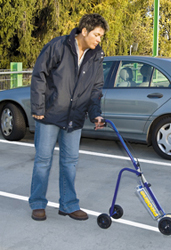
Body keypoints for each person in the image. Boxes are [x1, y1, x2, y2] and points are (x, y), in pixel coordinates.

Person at [29, 13, 109, 221]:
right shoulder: (58, 46)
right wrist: (38, 106)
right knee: (43, 161)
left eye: (101, 36)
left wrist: (95, 114)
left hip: (75, 117)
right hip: (49, 114)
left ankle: (68, 204)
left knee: (70, 161)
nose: (99, 40)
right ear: (84, 31)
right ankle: (38, 203)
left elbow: (96, 88)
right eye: (97, 35)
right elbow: (39, 75)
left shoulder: (96, 55)